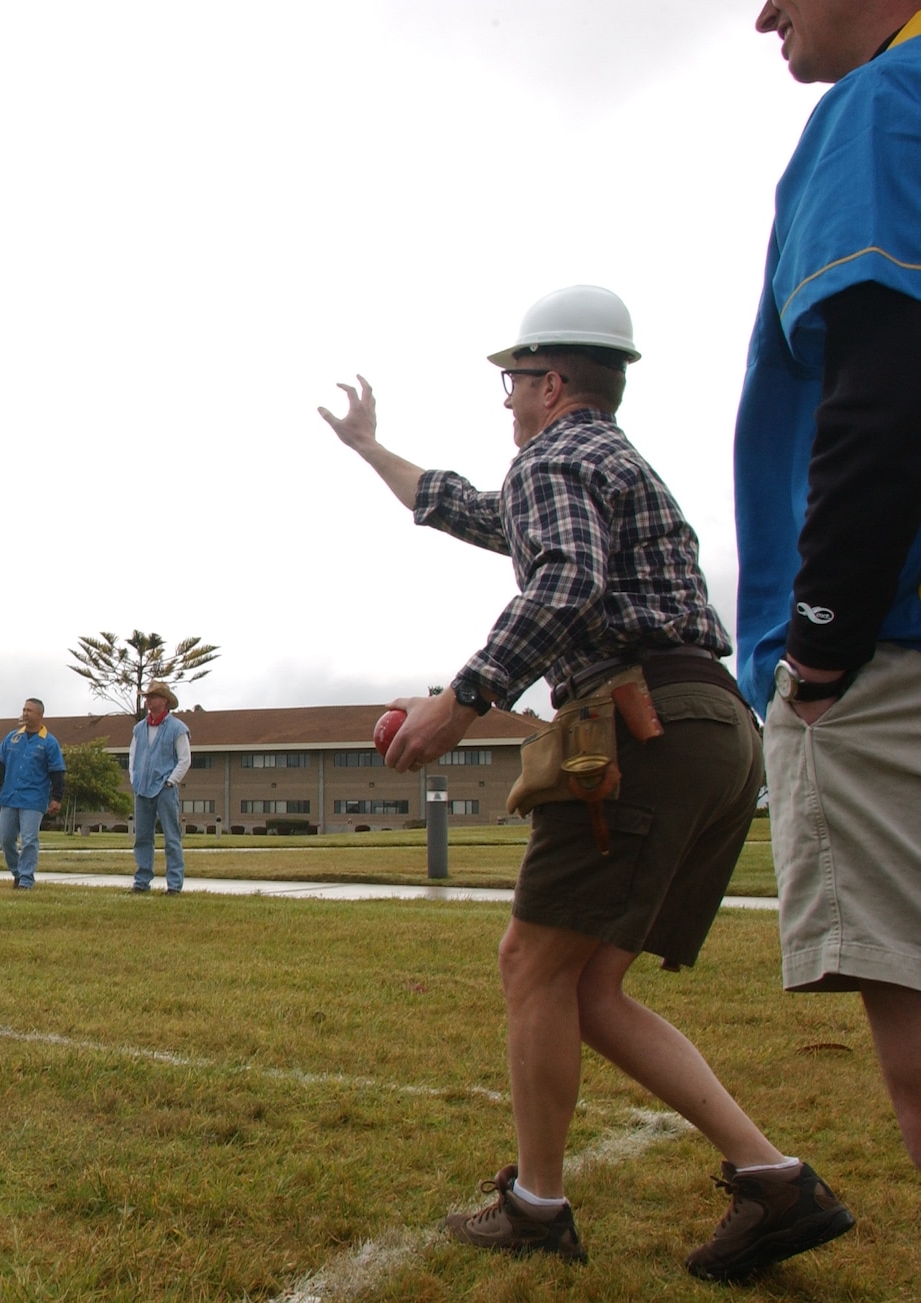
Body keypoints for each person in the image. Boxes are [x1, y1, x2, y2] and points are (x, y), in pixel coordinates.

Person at [317, 285, 852, 1279]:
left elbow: (563, 581)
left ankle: (537, 1205)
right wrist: (368, 450)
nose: (504, 399)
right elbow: (468, 510)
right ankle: (774, 1181)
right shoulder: (595, 461)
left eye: (512, 380)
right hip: (708, 726)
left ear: (551, 381)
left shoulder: (555, 456)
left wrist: (462, 699)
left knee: (530, 962)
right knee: (584, 987)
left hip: (643, 720)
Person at [733, 0, 921, 1175]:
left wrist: (815, 646)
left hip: (886, 648)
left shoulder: (878, 107)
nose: (763, 17)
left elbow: (883, 393)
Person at [0, 698, 65, 890]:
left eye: (29, 710)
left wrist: (56, 798)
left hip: (33, 799)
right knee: (5, 839)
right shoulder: (12, 737)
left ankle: (26, 880)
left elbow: (57, 773)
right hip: (10, 797)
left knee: (29, 840)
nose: (25, 713)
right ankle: (17, 872)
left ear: (39, 715)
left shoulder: (49, 742)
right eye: (23, 709)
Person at [129, 680, 191, 894]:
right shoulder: (139, 729)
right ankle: (141, 881)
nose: (148, 701)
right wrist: (134, 779)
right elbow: (133, 756)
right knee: (142, 837)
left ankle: (174, 884)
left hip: (165, 789)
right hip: (142, 789)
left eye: (152, 697)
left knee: (171, 837)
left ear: (164, 701)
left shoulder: (177, 728)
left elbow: (185, 759)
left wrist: (170, 781)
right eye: (147, 697)